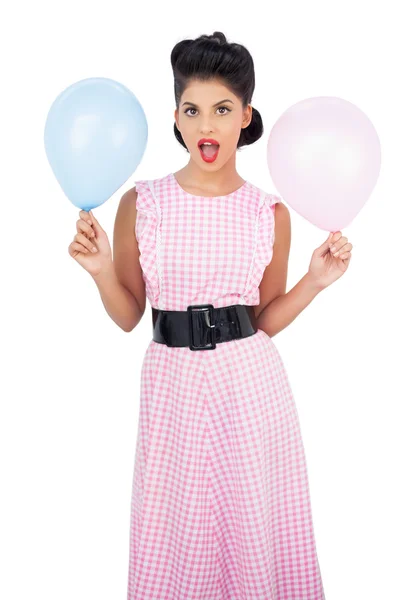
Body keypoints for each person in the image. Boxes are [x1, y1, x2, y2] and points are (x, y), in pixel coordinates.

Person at [68, 31, 352, 600]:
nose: (206, 127)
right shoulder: (140, 202)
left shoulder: (268, 211)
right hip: (171, 387)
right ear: (175, 115)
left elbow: (264, 319)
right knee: (174, 530)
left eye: (222, 110)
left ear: (245, 116)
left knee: (251, 525)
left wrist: (315, 283)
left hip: (250, 389)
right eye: (192, 110)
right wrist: (101, 269)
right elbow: (129, 316)